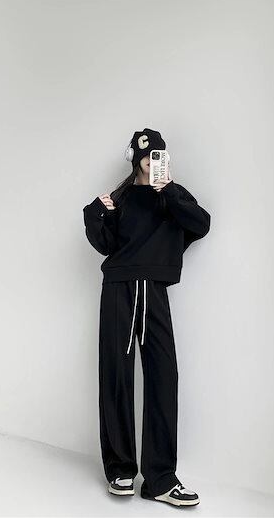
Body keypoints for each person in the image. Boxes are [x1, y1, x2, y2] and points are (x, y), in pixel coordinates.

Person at [83, 128, 211, 507]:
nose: (151, 160)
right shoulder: (121, 198)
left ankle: (160, 479)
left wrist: (168, 191)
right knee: (117, 375)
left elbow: (201, 224)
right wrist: (95, 214)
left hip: (154, 290)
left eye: (158, 154)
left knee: (163, 377)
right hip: (119, 289)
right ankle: (120, 469)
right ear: (134, 158)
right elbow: (105, 244)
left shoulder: (172, 194)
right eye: (145, 155)